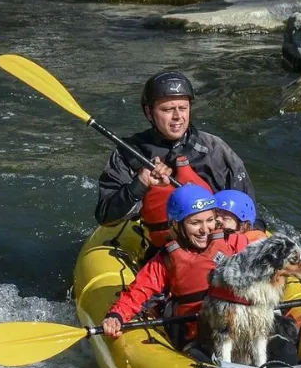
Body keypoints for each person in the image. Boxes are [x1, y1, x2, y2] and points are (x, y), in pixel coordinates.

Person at [94, 71, 256, 248]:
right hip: (161, 250)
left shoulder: (214, 150)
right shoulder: (130, 153)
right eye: (168, 109)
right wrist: (141, 183)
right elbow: (106, 217)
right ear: (149, 112)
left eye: (183, 108)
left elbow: (248, 213)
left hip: (215, 247)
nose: (178, 116)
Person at [101, 185, 249, 348]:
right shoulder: (167, 259)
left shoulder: (233, 242)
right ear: (177, 225)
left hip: (238, 324)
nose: (204, 230)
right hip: (197, 334)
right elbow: (138, 291)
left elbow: (265, 260)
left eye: (210, 220)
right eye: (195, 223)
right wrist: (117, 315)